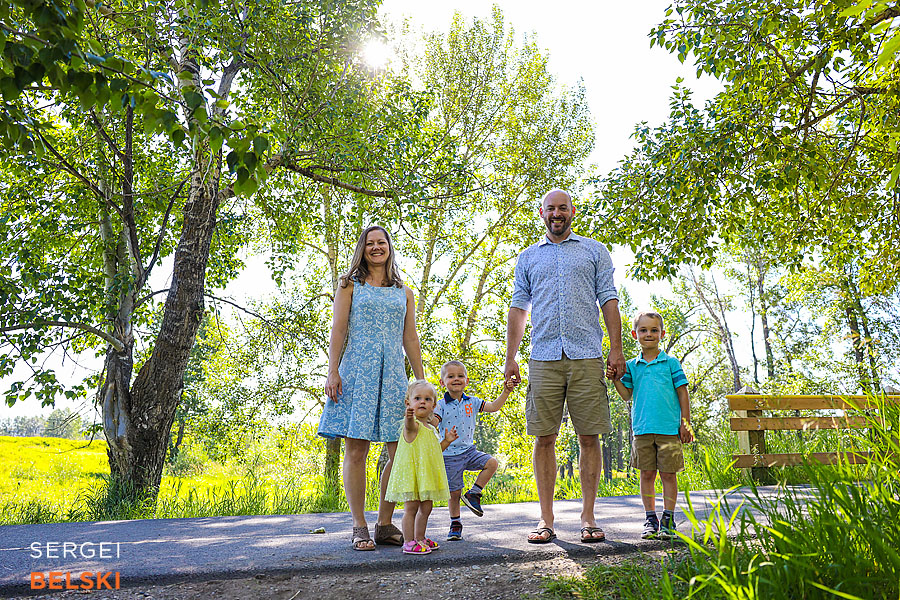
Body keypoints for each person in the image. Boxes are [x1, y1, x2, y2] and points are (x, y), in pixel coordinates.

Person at [504, 189, 625, 544]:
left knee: (589, 436)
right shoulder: (528, 257)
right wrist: (510, 356)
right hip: (543, 356)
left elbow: (609, 299)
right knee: (544, 438)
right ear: (542, 213)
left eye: (562, 208)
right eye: (550, 209)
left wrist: (616, 349)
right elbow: (518, 308)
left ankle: (588, 517)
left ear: (572, 211)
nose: (556, 214)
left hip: (586, 353)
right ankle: (546, 519)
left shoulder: (594, 251)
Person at [319, 225, 425, 551]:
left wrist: (419, 381)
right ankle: (359, 526)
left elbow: (410, 338)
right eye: (370, 243)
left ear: (389, 248)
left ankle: (384, 523)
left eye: (382, 243)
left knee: (400, 452)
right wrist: (332, 371)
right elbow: (338, 330)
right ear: (362, 249)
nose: (376, 247)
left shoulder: (404, 292)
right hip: (357, 372)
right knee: (357, 450)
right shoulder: (349, 286)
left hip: (393, 375)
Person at [608, 311, 693, 540]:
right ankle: (650, 519)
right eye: (643, 330)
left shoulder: (671, 363)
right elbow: (626, 395)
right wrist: (615, 379)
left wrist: (685, 423)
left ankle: (668, 519)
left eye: (654, 330)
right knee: (646, 474)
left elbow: (682, 393)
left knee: (668, 475)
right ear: (634, 334)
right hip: (643, 430)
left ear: (662, 334)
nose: (649, 334)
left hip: (669, 430)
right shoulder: (631, 366)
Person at [434, 360, 515, 541]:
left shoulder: (473, 402)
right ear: (442, 382)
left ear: (467, 381)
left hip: (469, 451)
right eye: (451, 376)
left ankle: (474, 493)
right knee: (454, 492)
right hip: (449, 455)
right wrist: (422, 414)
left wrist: (506, 392)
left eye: (460, 376)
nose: (456, 379)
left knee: (491, 463)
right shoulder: (440, 405)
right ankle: (455, 524)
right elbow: (433, 422)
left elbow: (494, 407)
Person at [385, 379, 454, 554]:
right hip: (413, 475)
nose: (422, 402)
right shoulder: (412, 426)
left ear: (433, 406)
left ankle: (420, 537)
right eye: (417, 398)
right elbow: (409, 427)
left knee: (426, 507)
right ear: (408, 403)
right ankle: (408, 542)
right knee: (411, 508)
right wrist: (409, 417)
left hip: (426, 476)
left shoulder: (431, 429)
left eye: (427, 399)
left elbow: (435, 451)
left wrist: (447, 441)